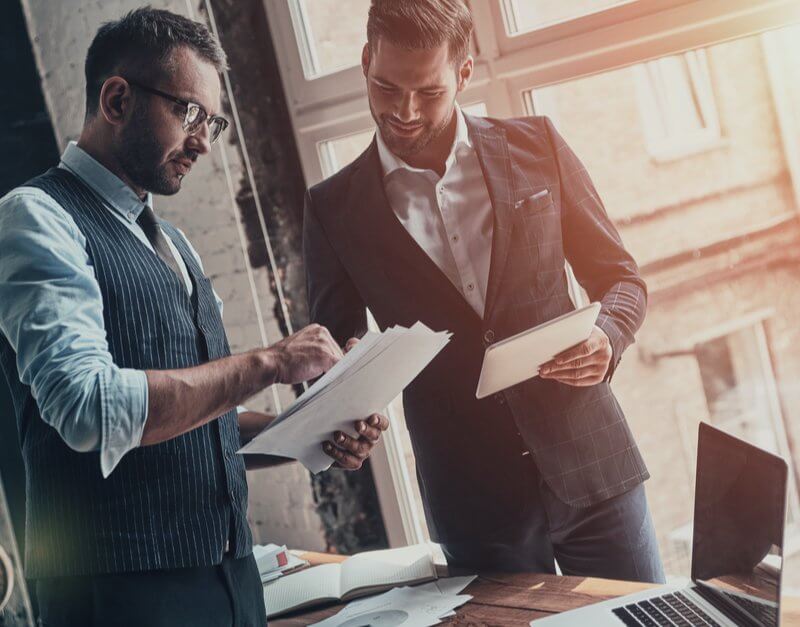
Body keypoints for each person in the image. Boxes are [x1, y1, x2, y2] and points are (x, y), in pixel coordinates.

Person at [0, 8, 388, 627]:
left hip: (228, 578)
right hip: (120, 597)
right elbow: (87, 407)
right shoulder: (36, 216)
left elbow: (196, 421)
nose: (205, 141)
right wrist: (272, 361)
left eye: (215, 121)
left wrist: (307, 435)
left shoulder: (175, 244)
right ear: (118, 98)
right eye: (189, 113)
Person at [303, 0, 664, 582]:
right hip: (472, 499)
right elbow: (336, 359)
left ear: (464, 74)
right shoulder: (332, 209)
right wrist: (341, 418)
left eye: (429, 92)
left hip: (591, 463)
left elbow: (621, 278)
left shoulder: (538, 145)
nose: (404, 112)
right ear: (366, 60)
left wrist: (608, 333)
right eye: (386, 87)